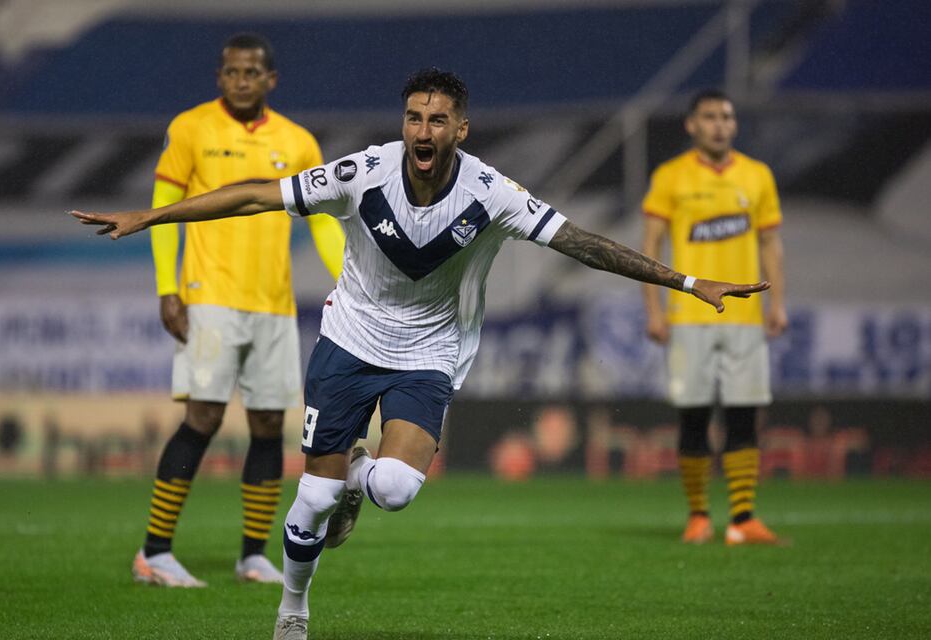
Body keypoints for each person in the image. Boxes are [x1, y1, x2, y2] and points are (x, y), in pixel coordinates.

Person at [72, 69, 769, 638]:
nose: (422, 131)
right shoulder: (363, 171)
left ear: (460, 128)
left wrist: (685, 280)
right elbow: (258, 195)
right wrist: (151, 216)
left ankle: (357, 478)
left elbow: (582, 242)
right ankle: (293, 610)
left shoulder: (492, 193)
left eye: (437, 120)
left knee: (398, 491)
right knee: (311, 500)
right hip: (349, 342)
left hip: (429, 351)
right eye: (413, 117)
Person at [130, 33, 345, 588]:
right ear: (219, 76)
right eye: (231, 72)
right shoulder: (191, 128)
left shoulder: (297, 142)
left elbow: (321, 219)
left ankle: (252, 555)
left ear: (271, 79)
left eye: (251, 73)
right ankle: (154, 552)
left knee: (270, 425)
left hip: (273, 304)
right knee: (201, 417)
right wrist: (166, 287)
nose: (240, 81)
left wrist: (349, 278)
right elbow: (164, 208)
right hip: (209, 298)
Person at [641, 89, 788, 546]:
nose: (720, 124)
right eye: (710, 117)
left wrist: (777, 302)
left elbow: (769, 243)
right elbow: (650, 248)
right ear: (692, 125)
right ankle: (699, 515)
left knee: (745, 415)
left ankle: (743, 519)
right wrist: (654, 309)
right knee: (694, 417)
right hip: (689, 316)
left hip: (745, 317)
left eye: (727, 116)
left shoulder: (757, 175)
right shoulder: (671, 176)